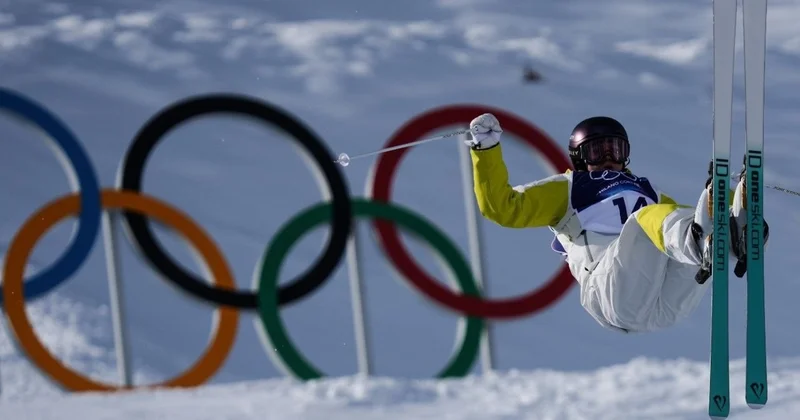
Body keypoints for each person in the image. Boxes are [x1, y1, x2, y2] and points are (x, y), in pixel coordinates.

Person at [465, 113, 768, 333]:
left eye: (616, 149)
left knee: (679, 223)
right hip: (609, 292)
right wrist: (486, 150)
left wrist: (727, 198)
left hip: (664, 306)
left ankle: (734, 234)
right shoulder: (568, 188)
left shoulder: (648, 192)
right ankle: (702, 243)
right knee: (646, 221)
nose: (609, 157)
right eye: (598, 151)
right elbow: (504, 209)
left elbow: (686, 218)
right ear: (580, 157)